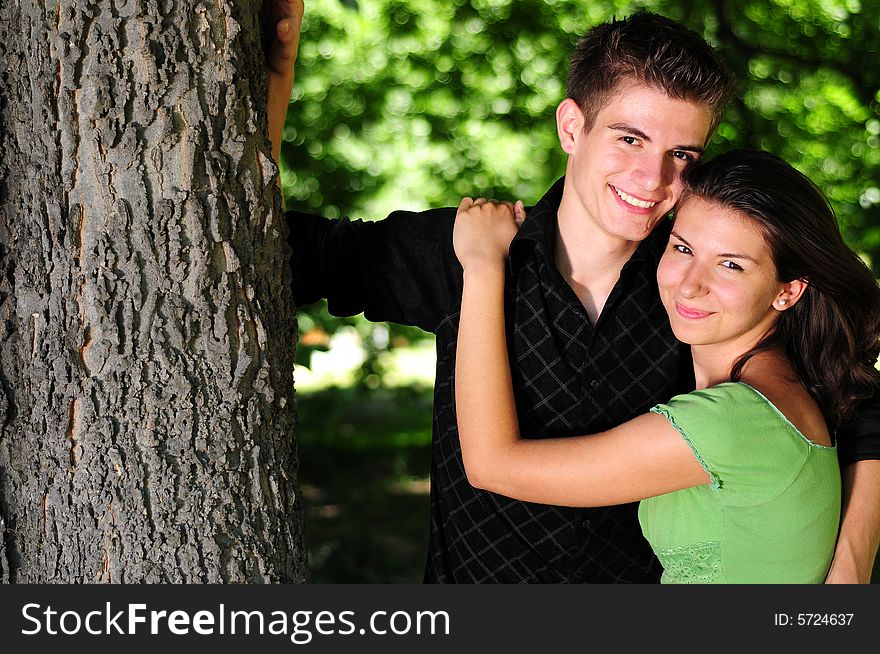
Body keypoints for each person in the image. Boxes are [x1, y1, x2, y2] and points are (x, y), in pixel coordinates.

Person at [265, 2, 880, 582]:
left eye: (681, 154)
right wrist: (275, 80)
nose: (652, 178)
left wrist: (849, 572)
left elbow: (854, 400)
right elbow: (267, 250)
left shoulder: (696, 294)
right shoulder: (465, 250)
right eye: (629, 138)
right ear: (572, 128)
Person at [452, 149, 880, 582]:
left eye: (730, 265)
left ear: (787, 291)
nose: (690, 285)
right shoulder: (781, 395)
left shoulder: (729, 423)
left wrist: (483, 265)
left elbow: (491, 465)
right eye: (682, 248)